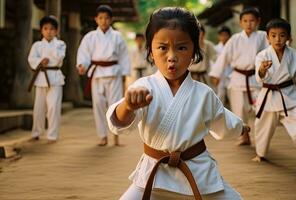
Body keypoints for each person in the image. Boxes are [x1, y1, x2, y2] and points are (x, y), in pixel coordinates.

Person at [106, 7, 250, 200]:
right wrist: (128, 107)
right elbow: (119, 123)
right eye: (162, 47)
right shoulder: (143, 87)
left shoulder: (204, 93)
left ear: (194, 52)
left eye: (181, 47)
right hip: (153, 176)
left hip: (198, 173)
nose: (171, 56)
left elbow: (224, 122)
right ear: (150, 51)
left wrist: (241, 128)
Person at [252, 18, 296, 170]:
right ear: (267, 37)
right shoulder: (262, 56)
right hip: (268, 96)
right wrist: (262, 69)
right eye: (273, 35)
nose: (278, 39)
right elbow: (258, 76)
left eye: (282, 35)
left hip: (288, 96)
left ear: (288, 37)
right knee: (263, 127)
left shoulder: (295, 56)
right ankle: (260, 154)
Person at [209, 7, 269, 145]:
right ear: (240, 22)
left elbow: (270, 52)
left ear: (258, 21)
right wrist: (216, 74)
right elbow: (224, 57)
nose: (249, 24)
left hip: (256, 77)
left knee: (261, 107)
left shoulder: (263, 36)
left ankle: (260, 137)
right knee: (239, 109)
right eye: (245, 21)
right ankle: (244, 136)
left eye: (252, 21)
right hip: (238, 77)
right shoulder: (235, 39)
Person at [76, 5, 131, 146]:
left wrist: (125, 73)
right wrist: (82, 65)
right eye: (101, 18)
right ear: (96, 19)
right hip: (97, 73)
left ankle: (116, 136)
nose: (104, 21)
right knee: (98, 105)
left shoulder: (117, 37)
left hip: (114, 73)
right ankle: (102, 136)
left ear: (111, 20)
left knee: (115, 106)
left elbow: (124, 56)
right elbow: (84, 54)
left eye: (107, 18)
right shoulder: (90, 37)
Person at [28, 15, 66, 144]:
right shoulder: (37, 45)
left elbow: (59, 58)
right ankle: (36, 132)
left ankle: (52, 135)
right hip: (41, 78)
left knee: (53, 108)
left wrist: (46, 58)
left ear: (56, 31)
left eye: (52, 29)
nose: (49, 31)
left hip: (55, 78)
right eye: (46, 28)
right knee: (38, 108)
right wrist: (40, 61)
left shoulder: (60, 44)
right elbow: (31, 59)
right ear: (41, 30)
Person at [214, 26, 232, 104]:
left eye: (226, 35)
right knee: (220, 97)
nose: (224, 37)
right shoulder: (216, 48)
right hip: (220, 76)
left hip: (231, 75)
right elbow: (214, 63)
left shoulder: (233, 47)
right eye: (222, 35)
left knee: (233, 98)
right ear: (219, 36)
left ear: (229, 36)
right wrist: (215, 76)